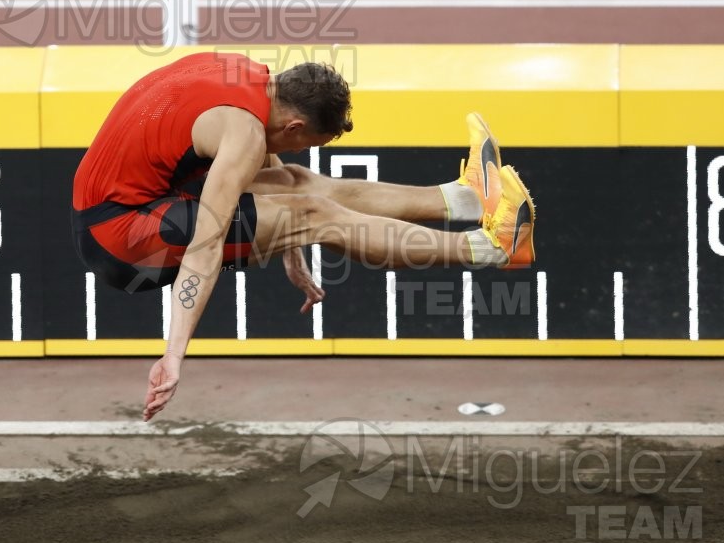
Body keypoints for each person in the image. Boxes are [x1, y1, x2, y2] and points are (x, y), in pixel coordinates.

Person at [71, 52, 535, 421]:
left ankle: (466, 199)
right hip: (123, 241)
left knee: (298, 184)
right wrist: (173, 356)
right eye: (310, 143)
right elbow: (204, 249)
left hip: (132, 197)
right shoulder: (245, 134)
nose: (303, 149)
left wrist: (289, 250)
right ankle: (492, 247)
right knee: (313, 213)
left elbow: (270, 170)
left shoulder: (247, 76)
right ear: (294, 126)